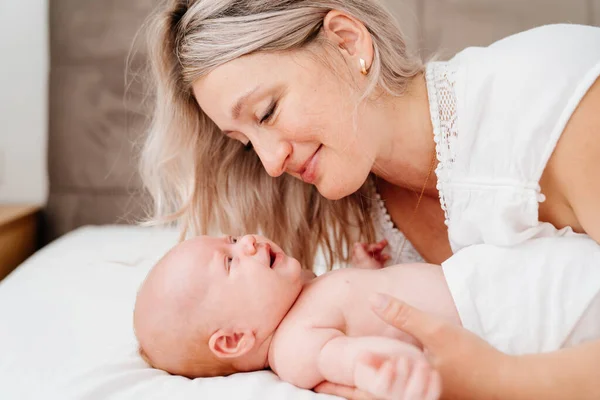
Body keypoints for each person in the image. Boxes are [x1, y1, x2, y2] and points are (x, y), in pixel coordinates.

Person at [139, 0, 600, 398]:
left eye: (267, 112)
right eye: (245, 142)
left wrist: (499, 381)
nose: (270, 163)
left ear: (347, 41)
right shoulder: (358, 210)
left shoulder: (557, 98)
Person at [133, 234, 600, 400]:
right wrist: (388, 370)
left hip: (484, 281)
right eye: (231, 261)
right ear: (233, 340)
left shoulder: (302, 296)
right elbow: (350, 358)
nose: (248, 242)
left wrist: (363, 270)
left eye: (233, 238)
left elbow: (355, 304)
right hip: (497, 314)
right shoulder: (293, 349)